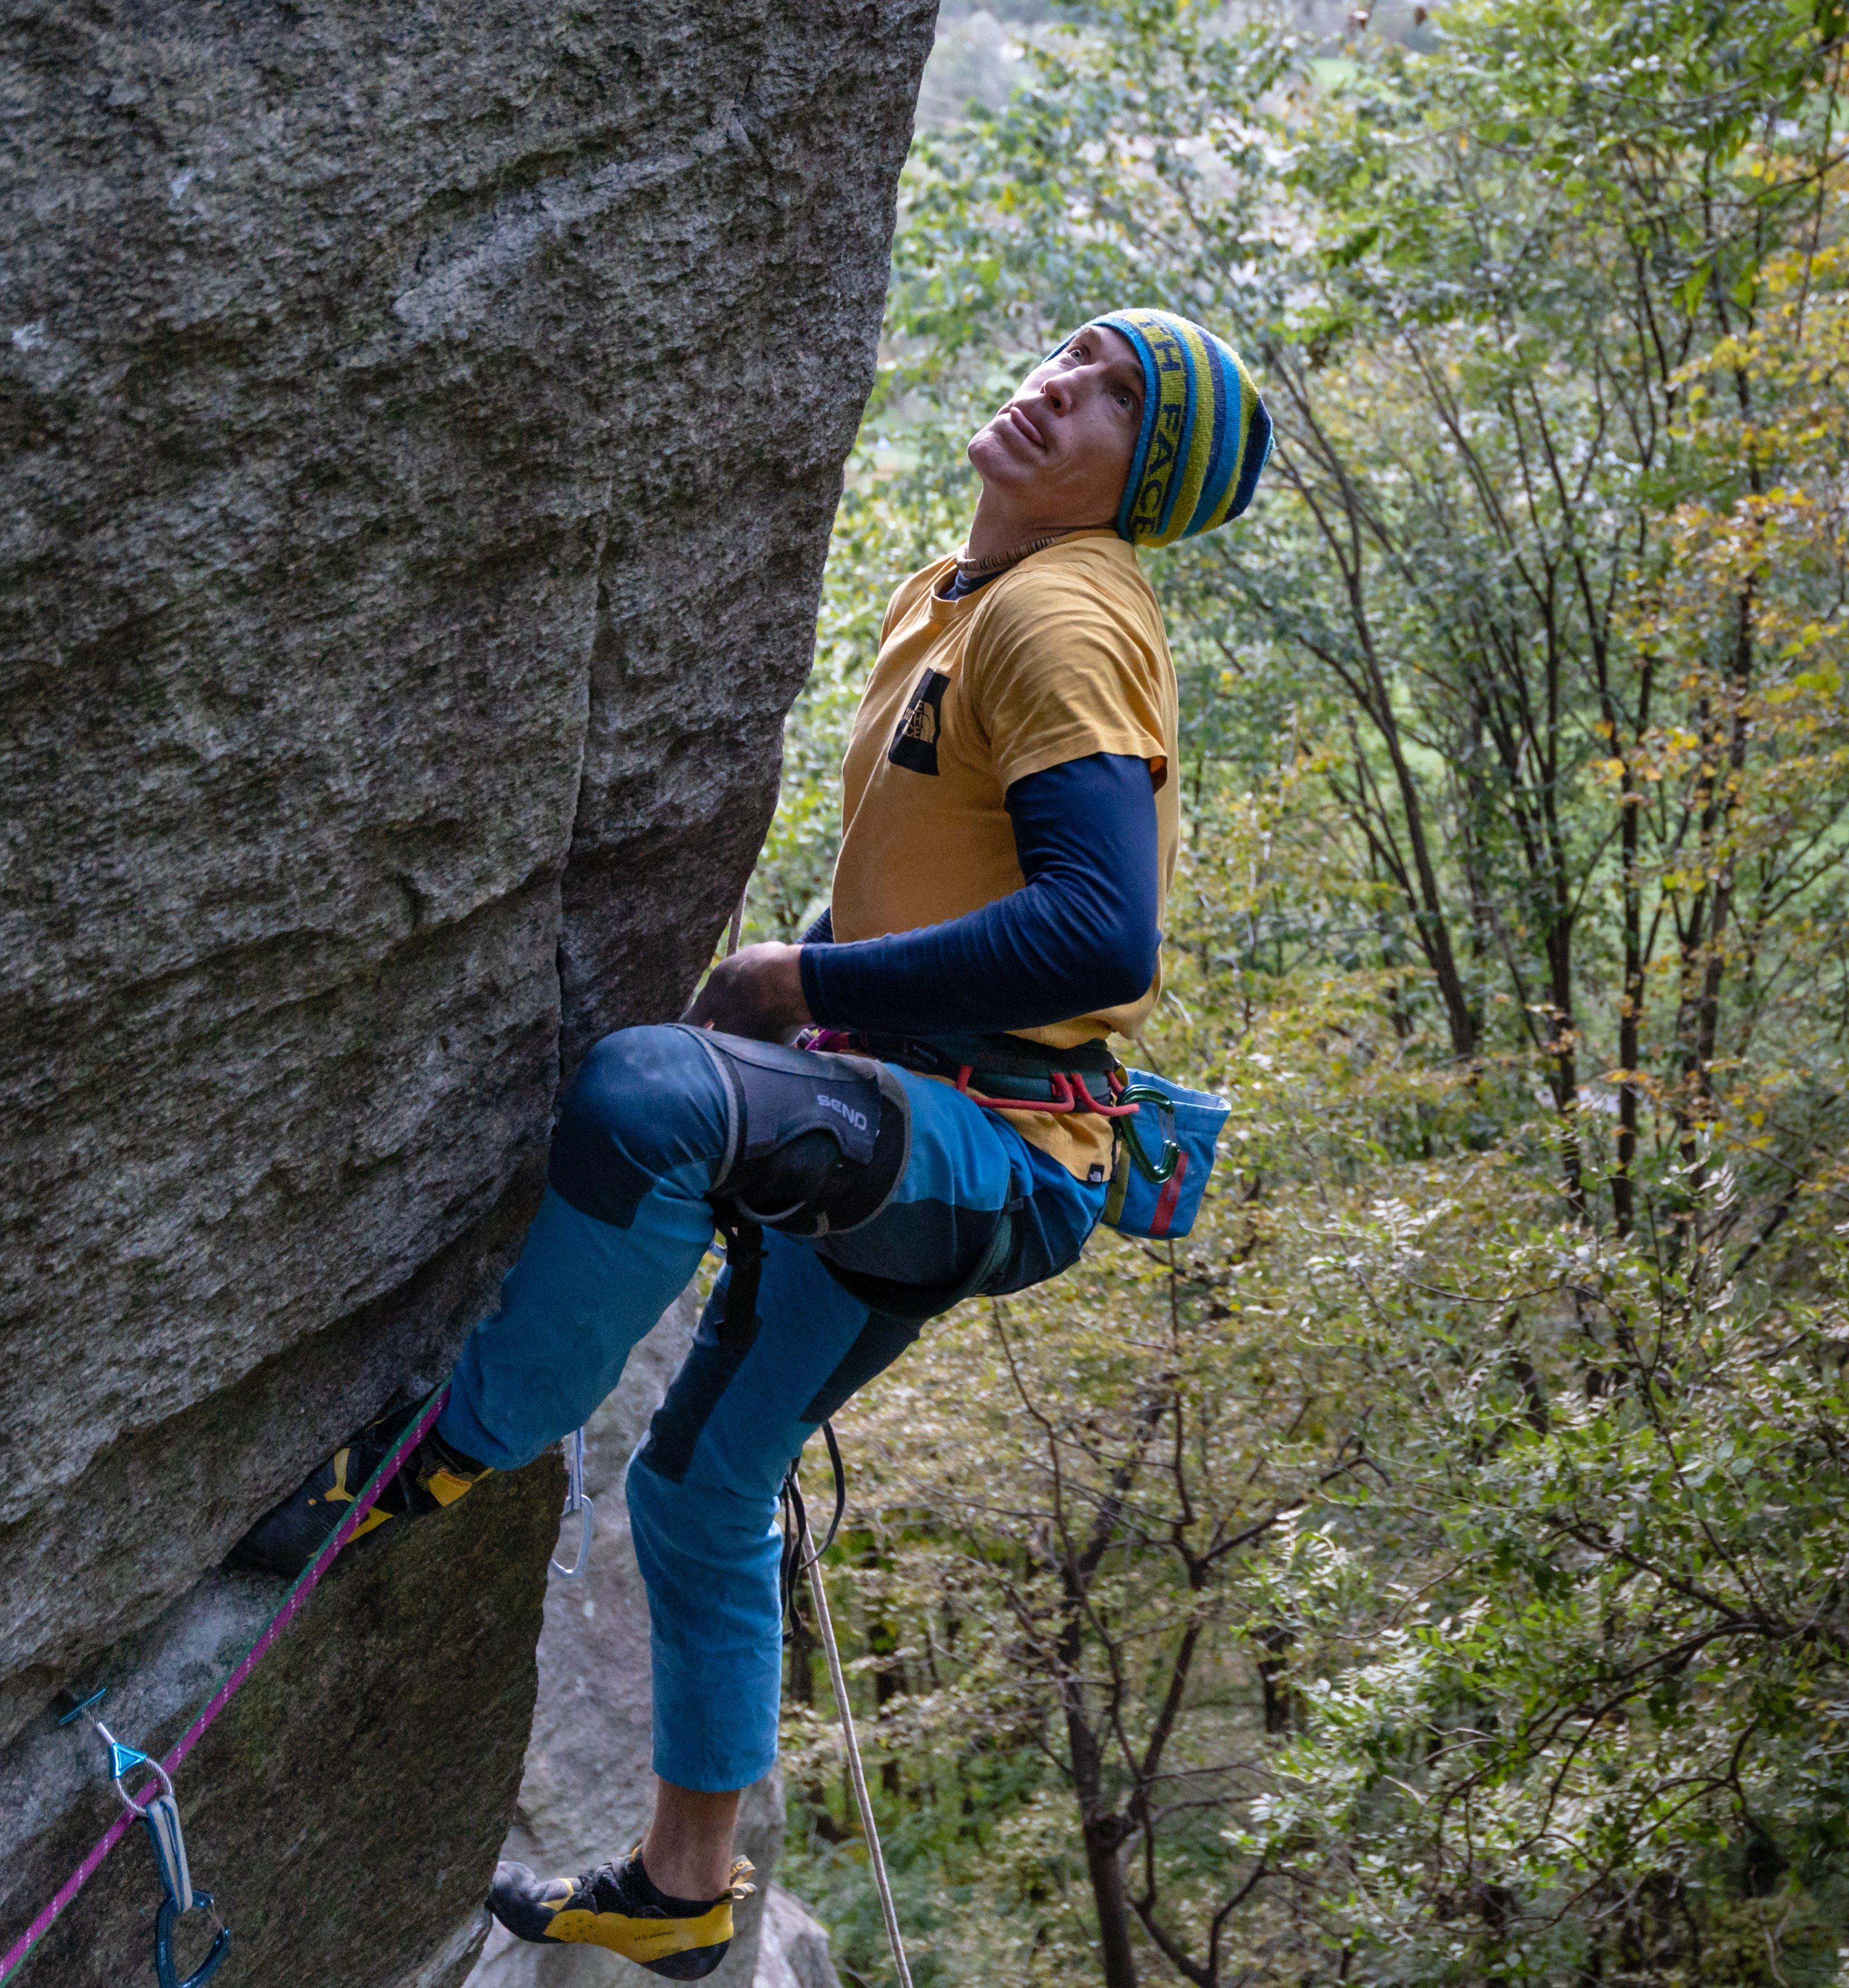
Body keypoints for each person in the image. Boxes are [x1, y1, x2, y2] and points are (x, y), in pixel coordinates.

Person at [235, 308, 1268, 1978]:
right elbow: (956, 872)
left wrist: (804, 981)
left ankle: (446, 1449)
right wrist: (834, 973)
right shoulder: (957, 595)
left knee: (652, 1099)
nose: (1063, 386)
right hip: (922, 1116)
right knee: (703, 1485)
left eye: (1116, 402)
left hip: (988, 1147)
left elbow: (1102, 933)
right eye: (1078, 354)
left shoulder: (1066, 613)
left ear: (1135, 484)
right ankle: (688, 1890)